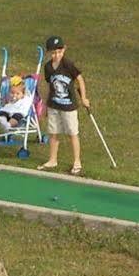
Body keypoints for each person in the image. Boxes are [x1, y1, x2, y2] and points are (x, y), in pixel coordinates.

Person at [38, 35, 90, 175]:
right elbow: (49, 86)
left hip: (69, 106)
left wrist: (84, 98)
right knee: (53, 133)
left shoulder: (68, 65)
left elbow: (80, 80)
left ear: (64, 50)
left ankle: (77, 162)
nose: (57, 55)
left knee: (73, 133)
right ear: (49, 52)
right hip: (54, 105)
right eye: (54, 52)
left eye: (59, 52)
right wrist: (45, 105)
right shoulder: (48, 67)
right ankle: (52, 159)